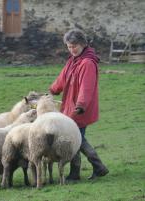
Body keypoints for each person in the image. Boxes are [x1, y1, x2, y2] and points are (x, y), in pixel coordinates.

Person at [49, 29, 109, 181]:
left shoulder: (87, 63)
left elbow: (86, 88)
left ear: (82, 44)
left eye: (74, 46)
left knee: (76, 140)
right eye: (69, 46)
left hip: (81, 109)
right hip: (71, 106)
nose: (71, 49)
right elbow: (62, 79)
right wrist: (53, 90)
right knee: (76, 139)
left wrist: (81, 105)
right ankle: (91, 169)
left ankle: (90, 169)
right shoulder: (72, 61)